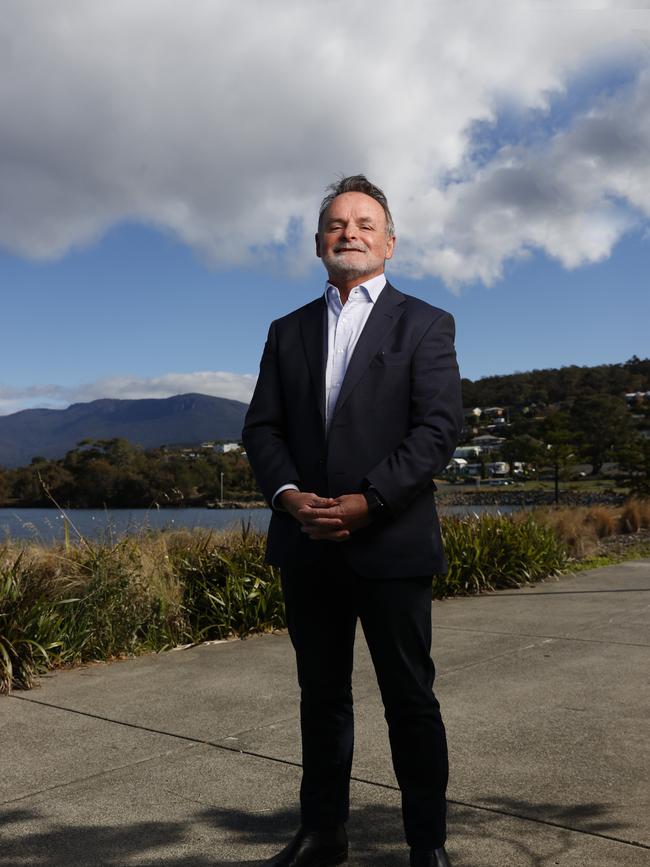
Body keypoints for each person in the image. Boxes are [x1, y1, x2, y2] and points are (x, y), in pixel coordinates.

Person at [242, 175, 463, 867]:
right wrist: (285, 493)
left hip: (391, 542)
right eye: (336, 223)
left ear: (389, 241)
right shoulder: (287, 331)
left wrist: (370, 498)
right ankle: (322, 833)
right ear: (317, 243)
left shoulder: (426, 323)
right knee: (322, 698)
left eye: (365, 222)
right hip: (306, 543)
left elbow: (437, 429)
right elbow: (262, 428)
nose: (349, 232)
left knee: (410, 699)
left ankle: (426, 843)